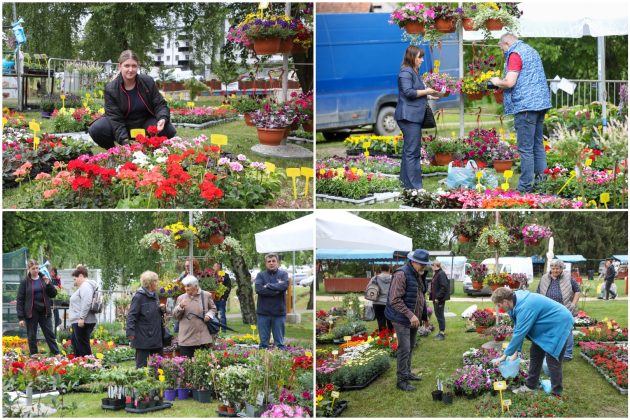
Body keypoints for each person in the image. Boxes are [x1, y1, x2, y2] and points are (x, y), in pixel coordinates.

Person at [490, 33, 552, 193]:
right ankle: (542, 185)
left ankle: (524, 187)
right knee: (537, 146)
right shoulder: (531, 50)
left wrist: (497, 82)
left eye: (502, 48)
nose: (503, 52)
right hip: (540, 104)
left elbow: (510, 82)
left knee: (525, 148)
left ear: (506, 43)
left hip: (525, 106)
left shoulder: (515, 53)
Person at [491, 287, 573, 396]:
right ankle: (530, 386)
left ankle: (556, 393)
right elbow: (518, 328)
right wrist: (517, 352)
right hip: (545, 326)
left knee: (552, 360)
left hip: (559, 323)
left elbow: (519, 333)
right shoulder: (513, 303)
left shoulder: (525, 306)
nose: (498, 307)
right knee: (535, 354)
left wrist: (505, 356)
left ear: (505, 301)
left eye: (499, 305)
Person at [88, 50, 176, 149]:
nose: (130, 69)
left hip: (145, 122)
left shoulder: (148, 82)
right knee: (96, 129)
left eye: (134, 66)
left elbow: (160, 104)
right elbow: (115, 119)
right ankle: (113, 152)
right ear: (120, 66)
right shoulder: (111, 89)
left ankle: (152, 150)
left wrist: (163, 118)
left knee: (168, 129)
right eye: (127, 66)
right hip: (123, 123)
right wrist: (126, 144)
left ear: (137, 66)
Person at [385, 249, 430, 392]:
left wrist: (423, 316)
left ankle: (407, 372)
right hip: (401, 318)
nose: (424, 266)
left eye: (425, 264)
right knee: (404, 348)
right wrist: (411, 315)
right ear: (413, 261)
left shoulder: (417, 274)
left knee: (410, 346)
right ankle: (401, 381)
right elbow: (395, 300)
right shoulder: (401, 274)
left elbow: (420, 297)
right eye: (421, 264)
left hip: (413, 319)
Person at [394, 45, 439, 190]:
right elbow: (408, 92)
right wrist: (426, 90)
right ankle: (415, 186)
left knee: (410, 150)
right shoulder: (405, 72)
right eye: (419, 57)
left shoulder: (414, 71)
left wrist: (428, 94)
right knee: (412, 152)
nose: (422, 60)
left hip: (413, 116)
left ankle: (406, 184)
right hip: (408, 117)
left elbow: (416, 91)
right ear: (412, 57)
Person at [537, 259, 581, 360]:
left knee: (567, 331)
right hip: (548, 310)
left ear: (562, 269)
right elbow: (538, 292)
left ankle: (567, 354)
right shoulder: (544, 278)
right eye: (553, 268)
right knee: (549, 331)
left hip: (565, 308)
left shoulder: (568, 277)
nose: (555, 270)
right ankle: (550, 351)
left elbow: (577, 291)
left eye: (557, 268)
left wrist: (573, 304)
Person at [16, 260, 61, 355]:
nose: (36, 270)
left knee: (49, 334)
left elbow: (53, 294)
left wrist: (49, 284)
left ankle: (57, 354)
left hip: (44, 311)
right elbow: (20, 300)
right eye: (33, 269)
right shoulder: (25, 282)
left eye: (37, 268)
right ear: (29, 269)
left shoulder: (44, 279)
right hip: (31, 313)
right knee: (32, 335)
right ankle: (34, 356)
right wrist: (21, 317)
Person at [127, 271, 166, 368]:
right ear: (150, 283)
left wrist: (161, 309)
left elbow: (154, 313)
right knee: (141, 365)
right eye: (155, 281)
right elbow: (131, 315)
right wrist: (130, 332)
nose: (157, 283)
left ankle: (158, 381)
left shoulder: (155, 295)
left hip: (156, 334)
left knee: (159, 363)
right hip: (143, 336)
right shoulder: (138, 297)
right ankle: (141, 382)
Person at [172, 275, 217, 358]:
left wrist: (208, 315)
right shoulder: (181, 298)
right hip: (186, 337)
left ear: (195, 286)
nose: (186, 288)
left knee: (203, 364)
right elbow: (175, 316)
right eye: (185, 286)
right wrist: (180, 307)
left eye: (188, 286)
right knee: (186, 365)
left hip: (202, 338)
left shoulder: (206, 295)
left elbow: (213, 309)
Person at [255, 253, 289, 350]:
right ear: (266, 263)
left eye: (273, 261)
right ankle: (262, 362)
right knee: (263, 344)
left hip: (279, 313)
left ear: (278, 262)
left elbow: (284, 286)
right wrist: (276, 290)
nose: (271, 263)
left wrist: (268, 286)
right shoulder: (260, 275)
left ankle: (281, 362)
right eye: (269, 261)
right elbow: (258, 289)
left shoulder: (283, 274)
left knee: (280, 344)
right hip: (263, 313)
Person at [68, 265, 98, 356]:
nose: (75, 281)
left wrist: (81, 318)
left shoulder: (86, 286)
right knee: (78, 346)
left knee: (83, 349)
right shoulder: (85, 286)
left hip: (82, 321)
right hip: (80, 321)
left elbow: (87, 302)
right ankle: (80, 365)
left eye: (75, 279)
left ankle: (89, 367)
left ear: (81, 276)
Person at [430, 260, 450, 341]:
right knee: (438, 315)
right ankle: (441, 332)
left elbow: (444, 287)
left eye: (432, 265)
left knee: (440, 316)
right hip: (436, 299)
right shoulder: (437, 273)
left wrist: (438, 298)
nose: (431, 267)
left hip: (439, 300)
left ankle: (442, 333)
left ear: (435, 265)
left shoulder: (441, 274)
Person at [372, 264, 393, 332]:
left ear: (381, 270)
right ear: (389, 269)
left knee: (380, 321)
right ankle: (392, 337)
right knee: (391, 320)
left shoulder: (375, 278)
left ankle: (383, 337)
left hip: (377, 302)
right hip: (390, 302)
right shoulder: (393, 278)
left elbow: (368, 288)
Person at [213, 262, 232, 333]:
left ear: (219, 267)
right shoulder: (212, 276)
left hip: (221, 299)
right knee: (214, 315)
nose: (213, 268)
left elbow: (228, 287)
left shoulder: (225, 276)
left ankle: (224, 331)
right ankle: (215, 329)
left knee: (222, 315)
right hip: (214, 299)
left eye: (215, 266)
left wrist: (224, 297)